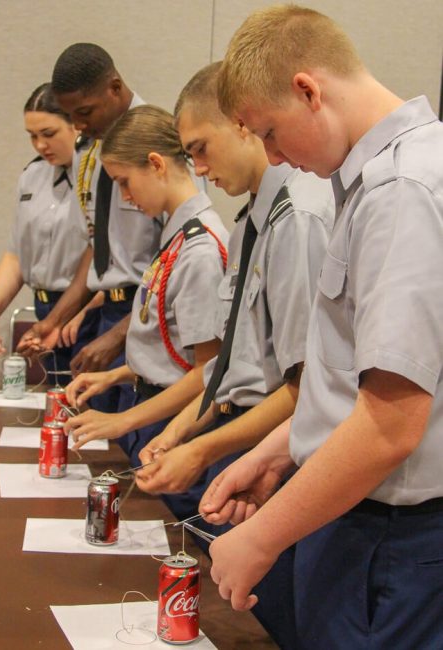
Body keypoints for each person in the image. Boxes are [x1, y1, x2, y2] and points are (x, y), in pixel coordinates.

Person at [198, 5, 443, 650]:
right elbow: (349, 383)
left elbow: (391, 425)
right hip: (357, 520)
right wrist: (277, 452)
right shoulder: (373, 181)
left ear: (308, 90)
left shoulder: (401, 189)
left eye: (271, 133)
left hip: (388, 541)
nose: (274, 156)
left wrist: (261, 536)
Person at [134, 62, 333, 528]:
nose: (199, 169)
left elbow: (305, 387)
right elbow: (231, 365)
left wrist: (200, 449)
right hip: (233, 431)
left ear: (242, 124)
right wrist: (180, 431)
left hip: (276, 451)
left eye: (201, 149)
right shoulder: (248, 225)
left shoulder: (299, 217)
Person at [64, 105, 229, 468]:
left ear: (156, 164)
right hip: (153, 407)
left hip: (177, 421)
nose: (124, 196)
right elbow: (170, 353)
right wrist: (116, 375)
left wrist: (122, 420)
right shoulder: (177, 237)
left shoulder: (199, 249)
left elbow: (207, 370)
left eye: (124, 181)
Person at [17, 44, 162, 413]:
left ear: (114, 87)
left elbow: (175, 260)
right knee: (98, 440)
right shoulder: (92, 149)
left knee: (137, 443)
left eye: (84, 112)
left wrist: (118, 335)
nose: (78, 125)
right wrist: (53, 321)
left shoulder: (158, 141)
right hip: (108, 317)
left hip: (147, 318)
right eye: (71, 116)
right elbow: (98, 247)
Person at [0, 83, 101, 384]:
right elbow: (18, 253)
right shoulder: (33, 175)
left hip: (88, 311)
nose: (40, 145)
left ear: (76, 126)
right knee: (53, 406)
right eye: (32, 136)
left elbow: (109, 255)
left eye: (48, 134)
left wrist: (78, 311)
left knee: (88, 407)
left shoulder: (100, 174)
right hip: (45, 306)